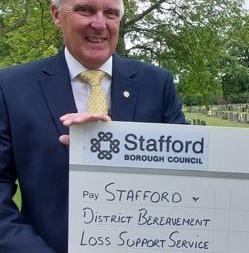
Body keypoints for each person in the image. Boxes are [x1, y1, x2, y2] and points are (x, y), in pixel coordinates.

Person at [0, 0, 187, 252]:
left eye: (110, 13)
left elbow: (187, 177)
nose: (99, 24)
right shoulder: (11, 87)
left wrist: (116, 148)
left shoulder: (157, 84)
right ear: (56, 15)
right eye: (85, 10)